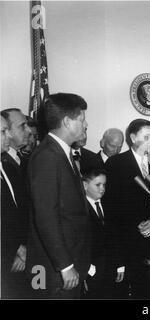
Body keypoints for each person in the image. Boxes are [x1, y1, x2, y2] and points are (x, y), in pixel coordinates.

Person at [26, 93, 91, 299]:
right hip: (57, 270)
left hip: (70, 260)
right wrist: (65, 265)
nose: (85, 124)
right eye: (81, 119)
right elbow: (46, 215)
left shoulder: (60, 152)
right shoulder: (47, 156)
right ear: (66, 122)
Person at [103, 119, 150, 297]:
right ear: (133, 138)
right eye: (146, 137)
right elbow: (111, 208)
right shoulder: (115, 164)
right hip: (127, 242)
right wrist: (137, 225)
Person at [82, 168, 123, 299]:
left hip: (110, 267)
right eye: (98, 184)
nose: (102, 189)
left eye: (104, 185)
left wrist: (120, 265)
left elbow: (116, 237)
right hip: (90, 269)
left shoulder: (109, 204)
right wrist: (86, 268)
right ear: (85, 185)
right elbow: (77, 241)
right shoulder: (78, 208)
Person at [1, 114, 28, 298]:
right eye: (3, 132)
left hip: (16, 256)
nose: (9, 136)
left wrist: (21, 247)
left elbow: (17, 213)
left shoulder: (8, 169)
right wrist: (16, 249)